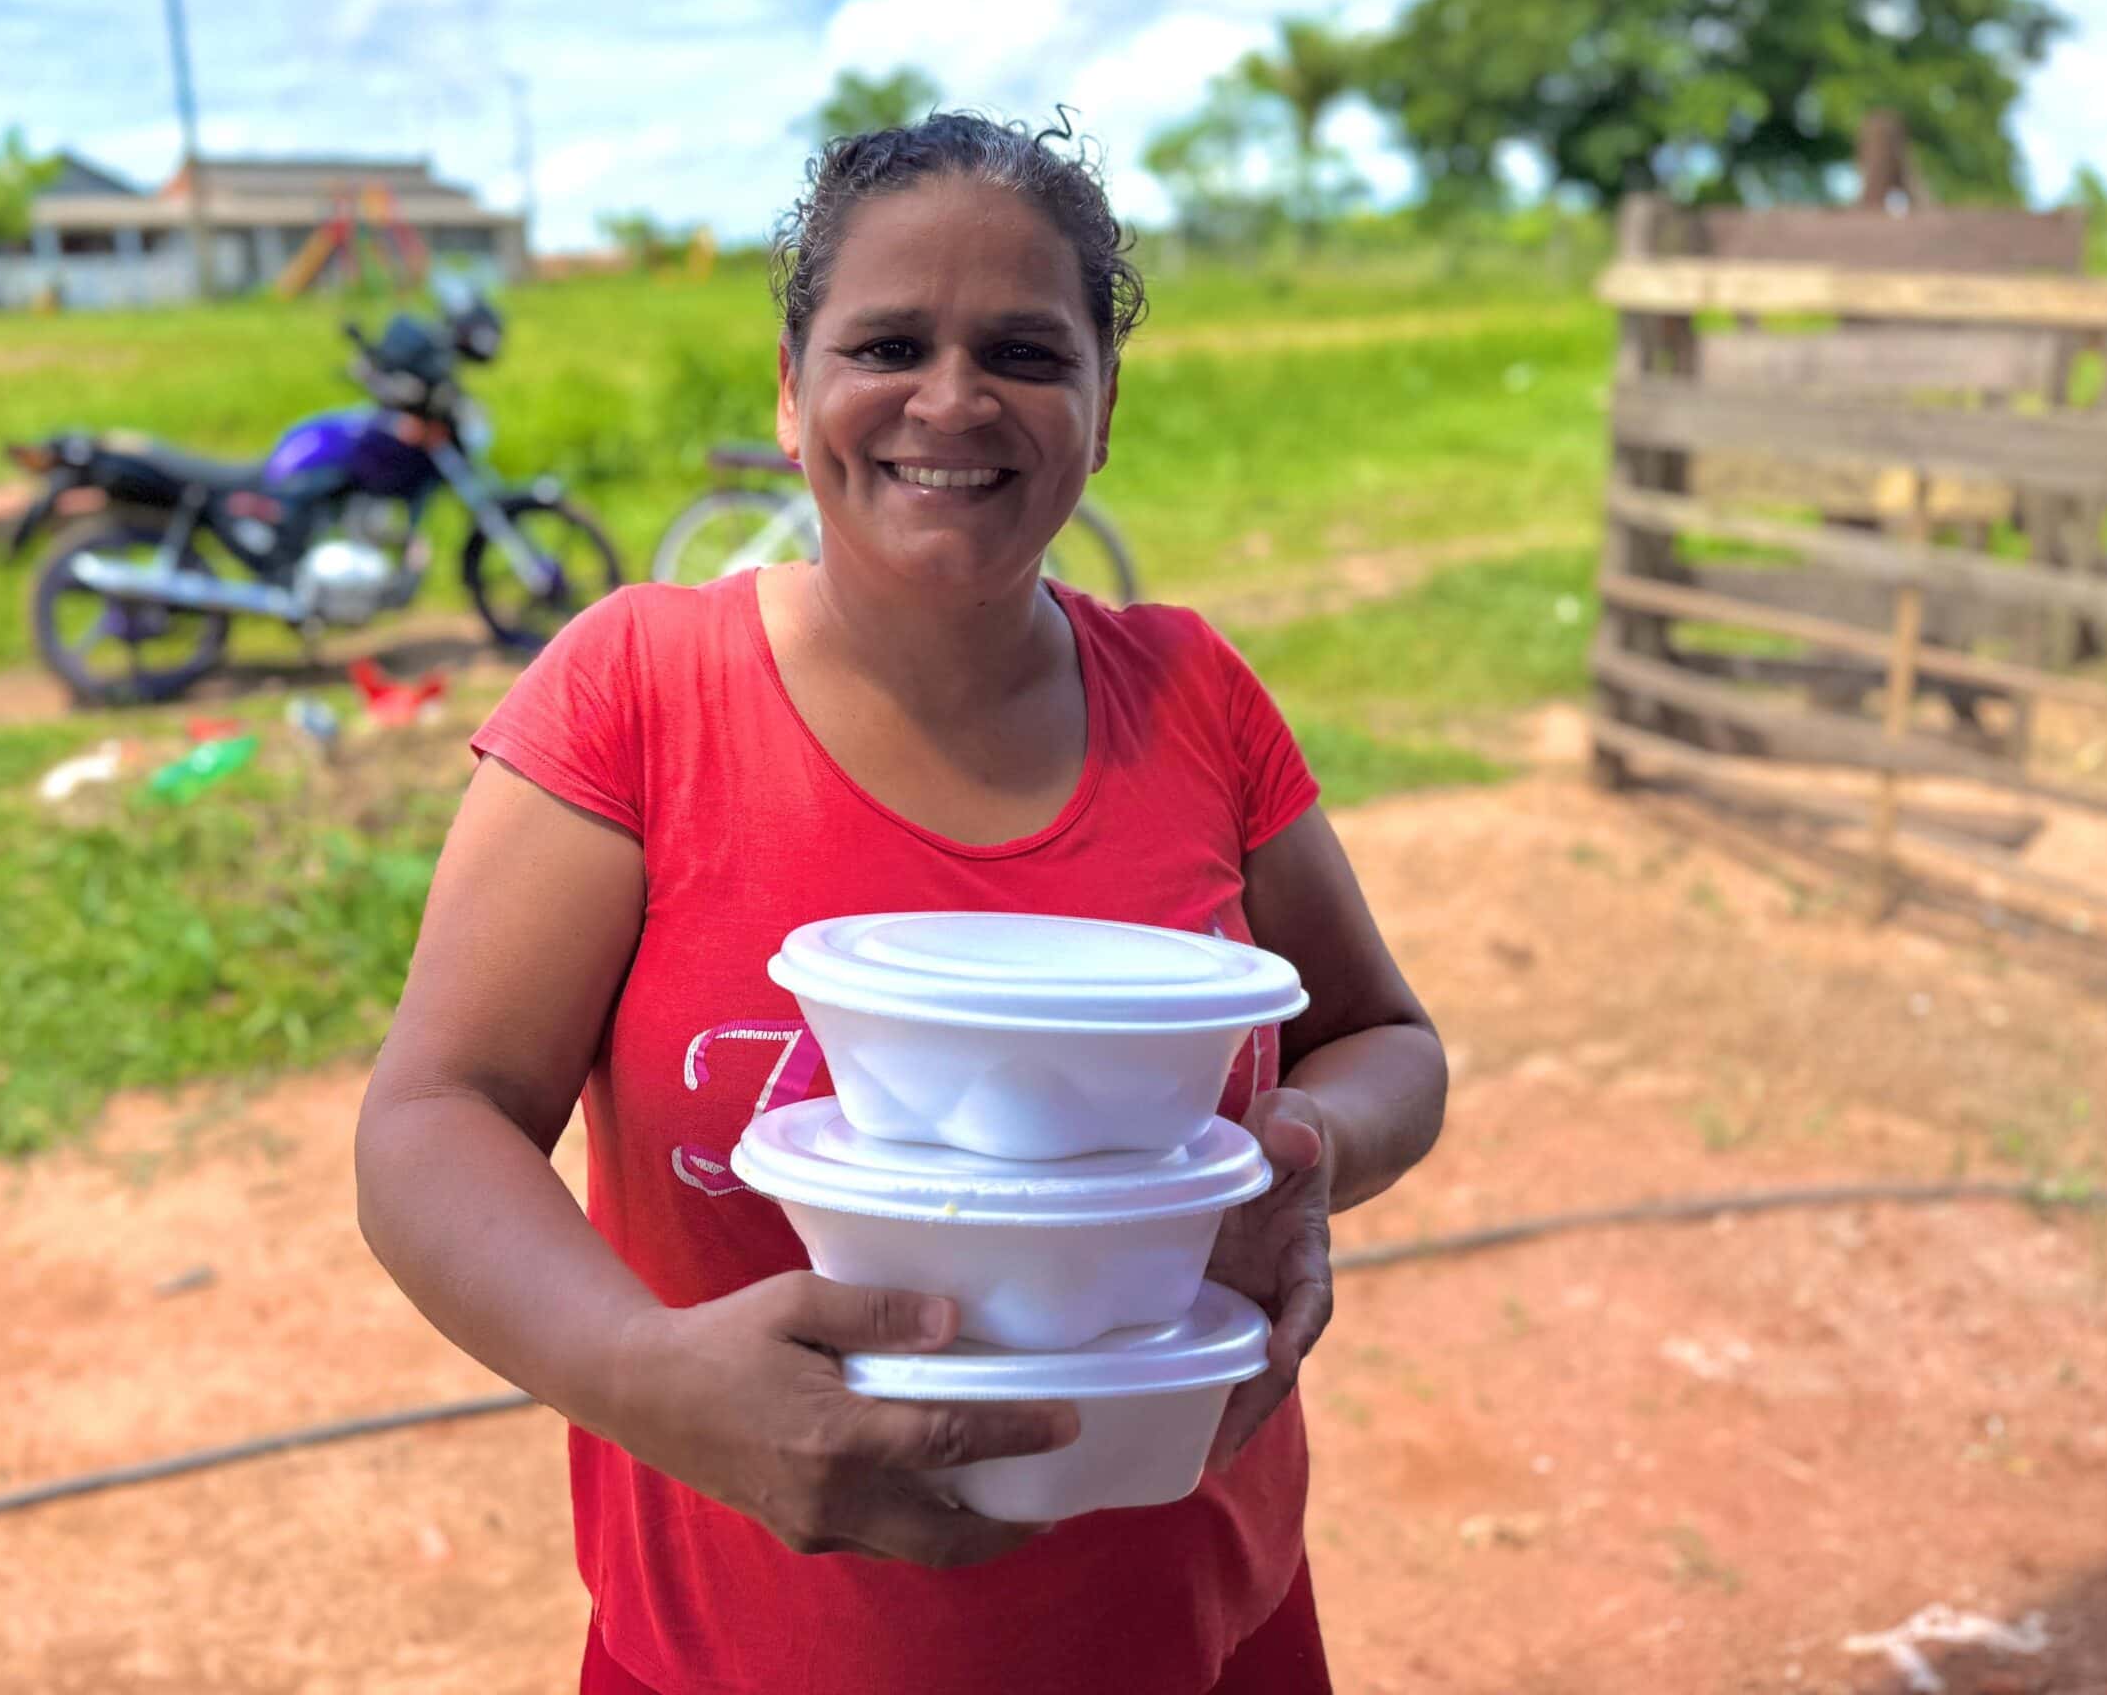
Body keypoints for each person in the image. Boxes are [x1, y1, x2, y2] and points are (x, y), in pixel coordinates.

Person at [356, 112, 1448, 1695]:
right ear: (793, 389)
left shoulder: (1195, 700)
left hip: (1195, 1630)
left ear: (1103, 403)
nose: (953, 400)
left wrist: (1302, 1151)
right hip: (748, 1653)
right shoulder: (640, 692)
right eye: (888, 343)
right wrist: (651, 1380)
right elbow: (435, 1115)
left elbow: (1384, 1038)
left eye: (1024, 350)